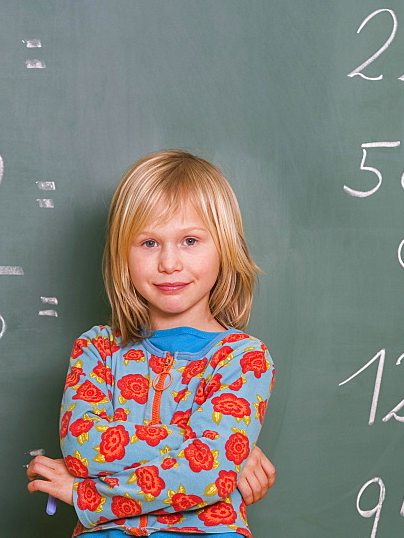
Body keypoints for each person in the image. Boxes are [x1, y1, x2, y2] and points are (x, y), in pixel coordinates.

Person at [27, 150, 276, 537]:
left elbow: (207, 473)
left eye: (190, 240)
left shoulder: (243, 359)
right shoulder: (97, 350)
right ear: (122, 253)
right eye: (148, 243)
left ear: (224, 246)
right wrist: (216, 452)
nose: (169, 263)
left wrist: (87, 495)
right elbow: (84, 450)